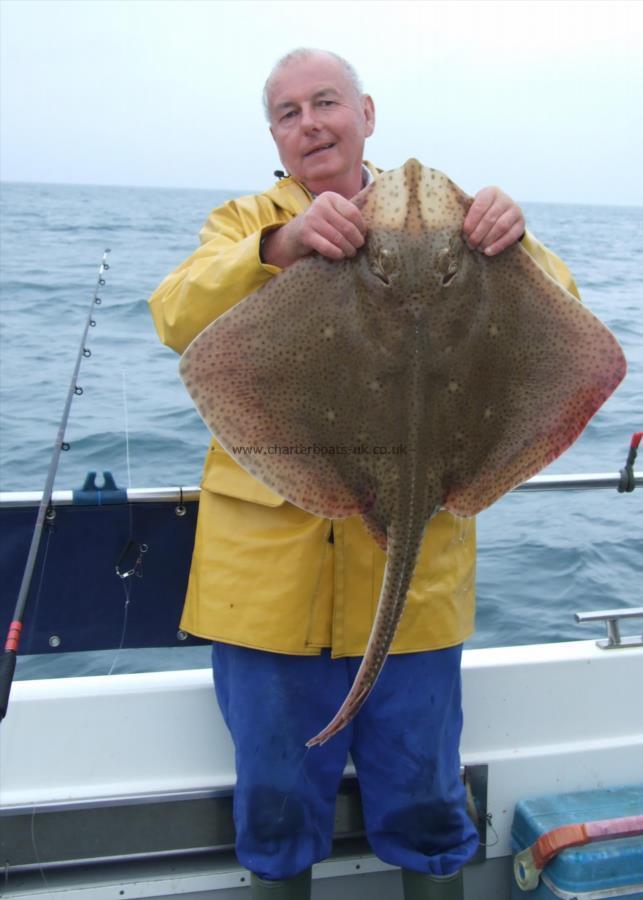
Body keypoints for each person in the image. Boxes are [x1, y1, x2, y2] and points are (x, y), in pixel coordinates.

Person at [149, 48, 580, 900]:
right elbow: (176, 311)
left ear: (366, 114)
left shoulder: (458, 228)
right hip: (264, 604)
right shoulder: (244, 222)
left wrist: (514, 239)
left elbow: (563, 321)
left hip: (414, 596)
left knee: (429, 817)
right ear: (273, 133)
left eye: (326, 103)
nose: (310, 124)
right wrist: (279, 245)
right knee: (275, 822)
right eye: (288, 113)